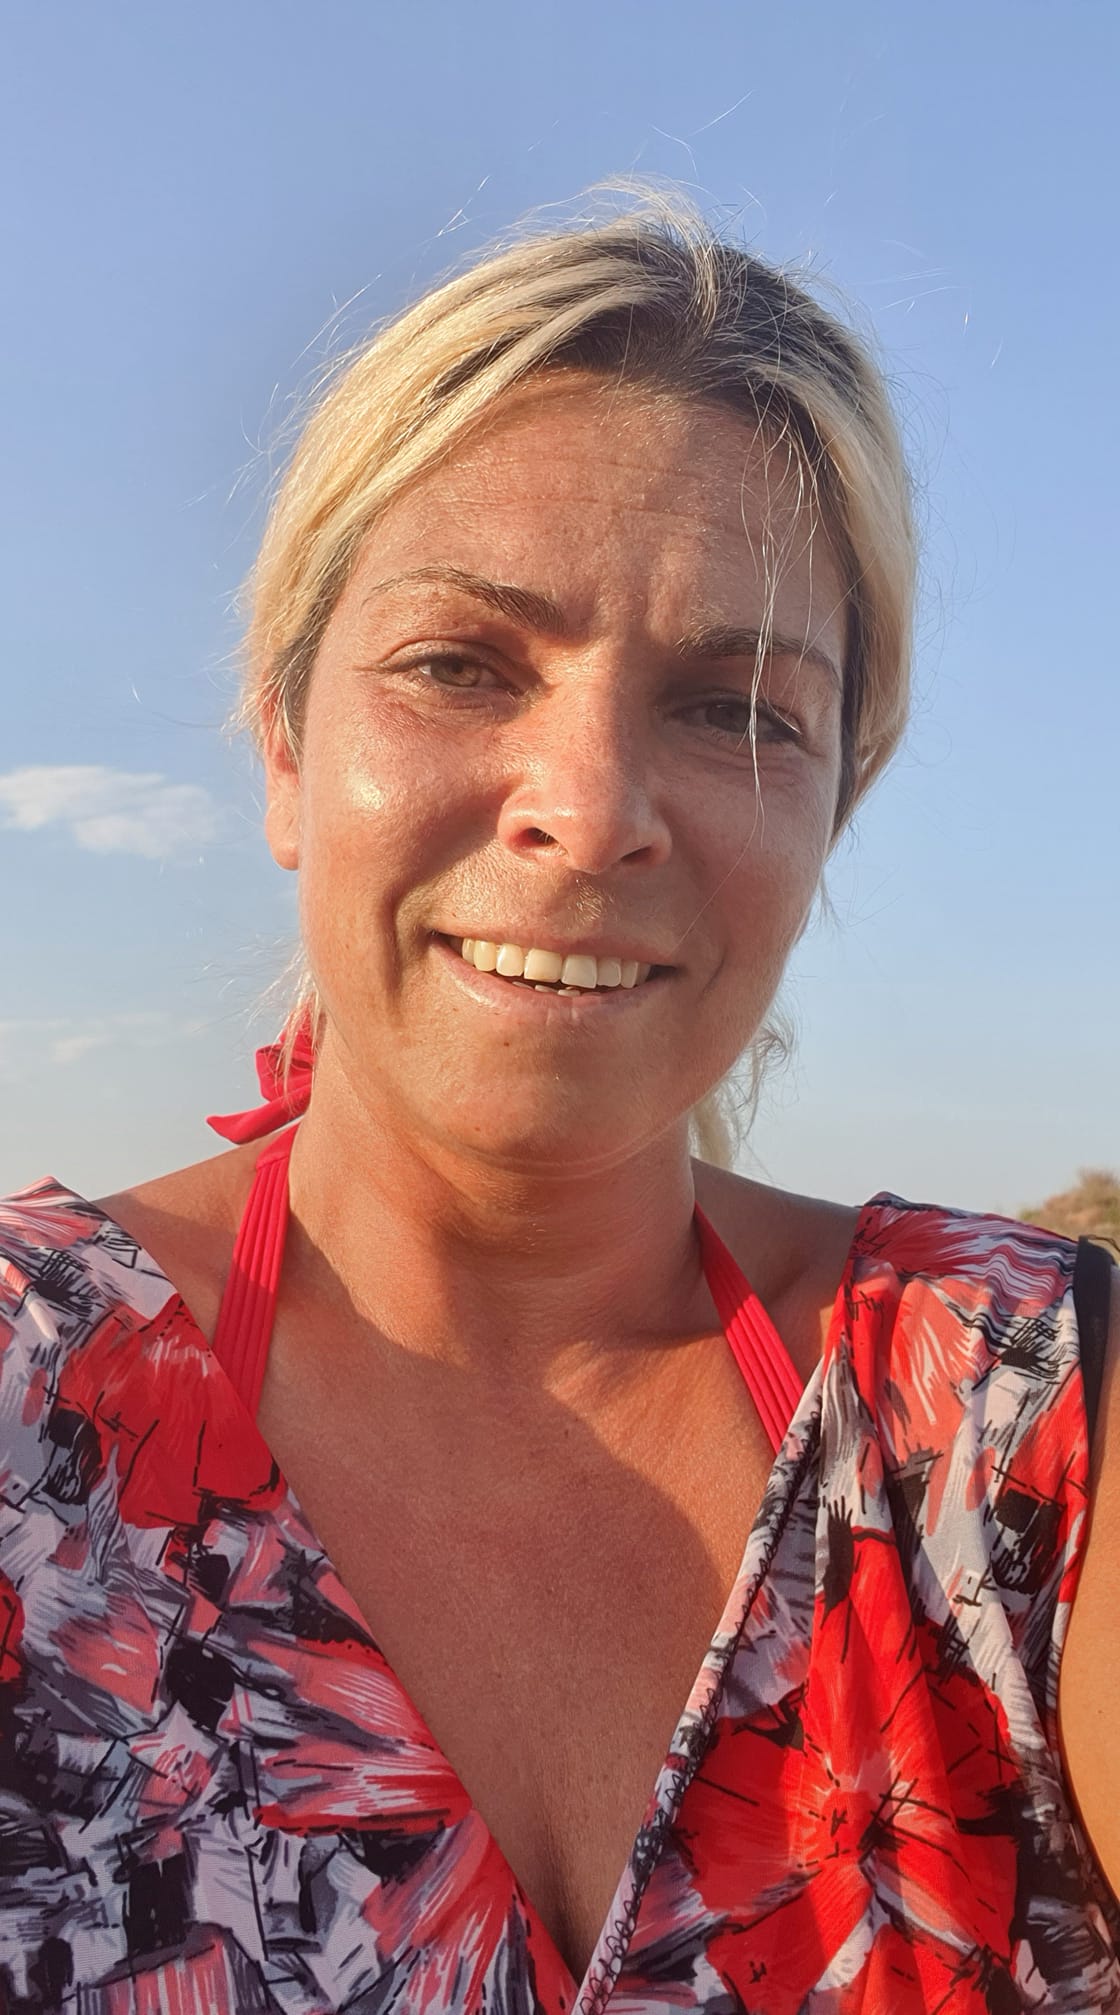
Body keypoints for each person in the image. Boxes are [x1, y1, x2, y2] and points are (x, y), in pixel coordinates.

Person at [0, 198, 1116, 2015]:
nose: (589, 814)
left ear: (833, 807)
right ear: (284, 749)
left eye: (735, 707)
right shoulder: (25, 1410)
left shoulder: (1027, 1421)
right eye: (459, 663)